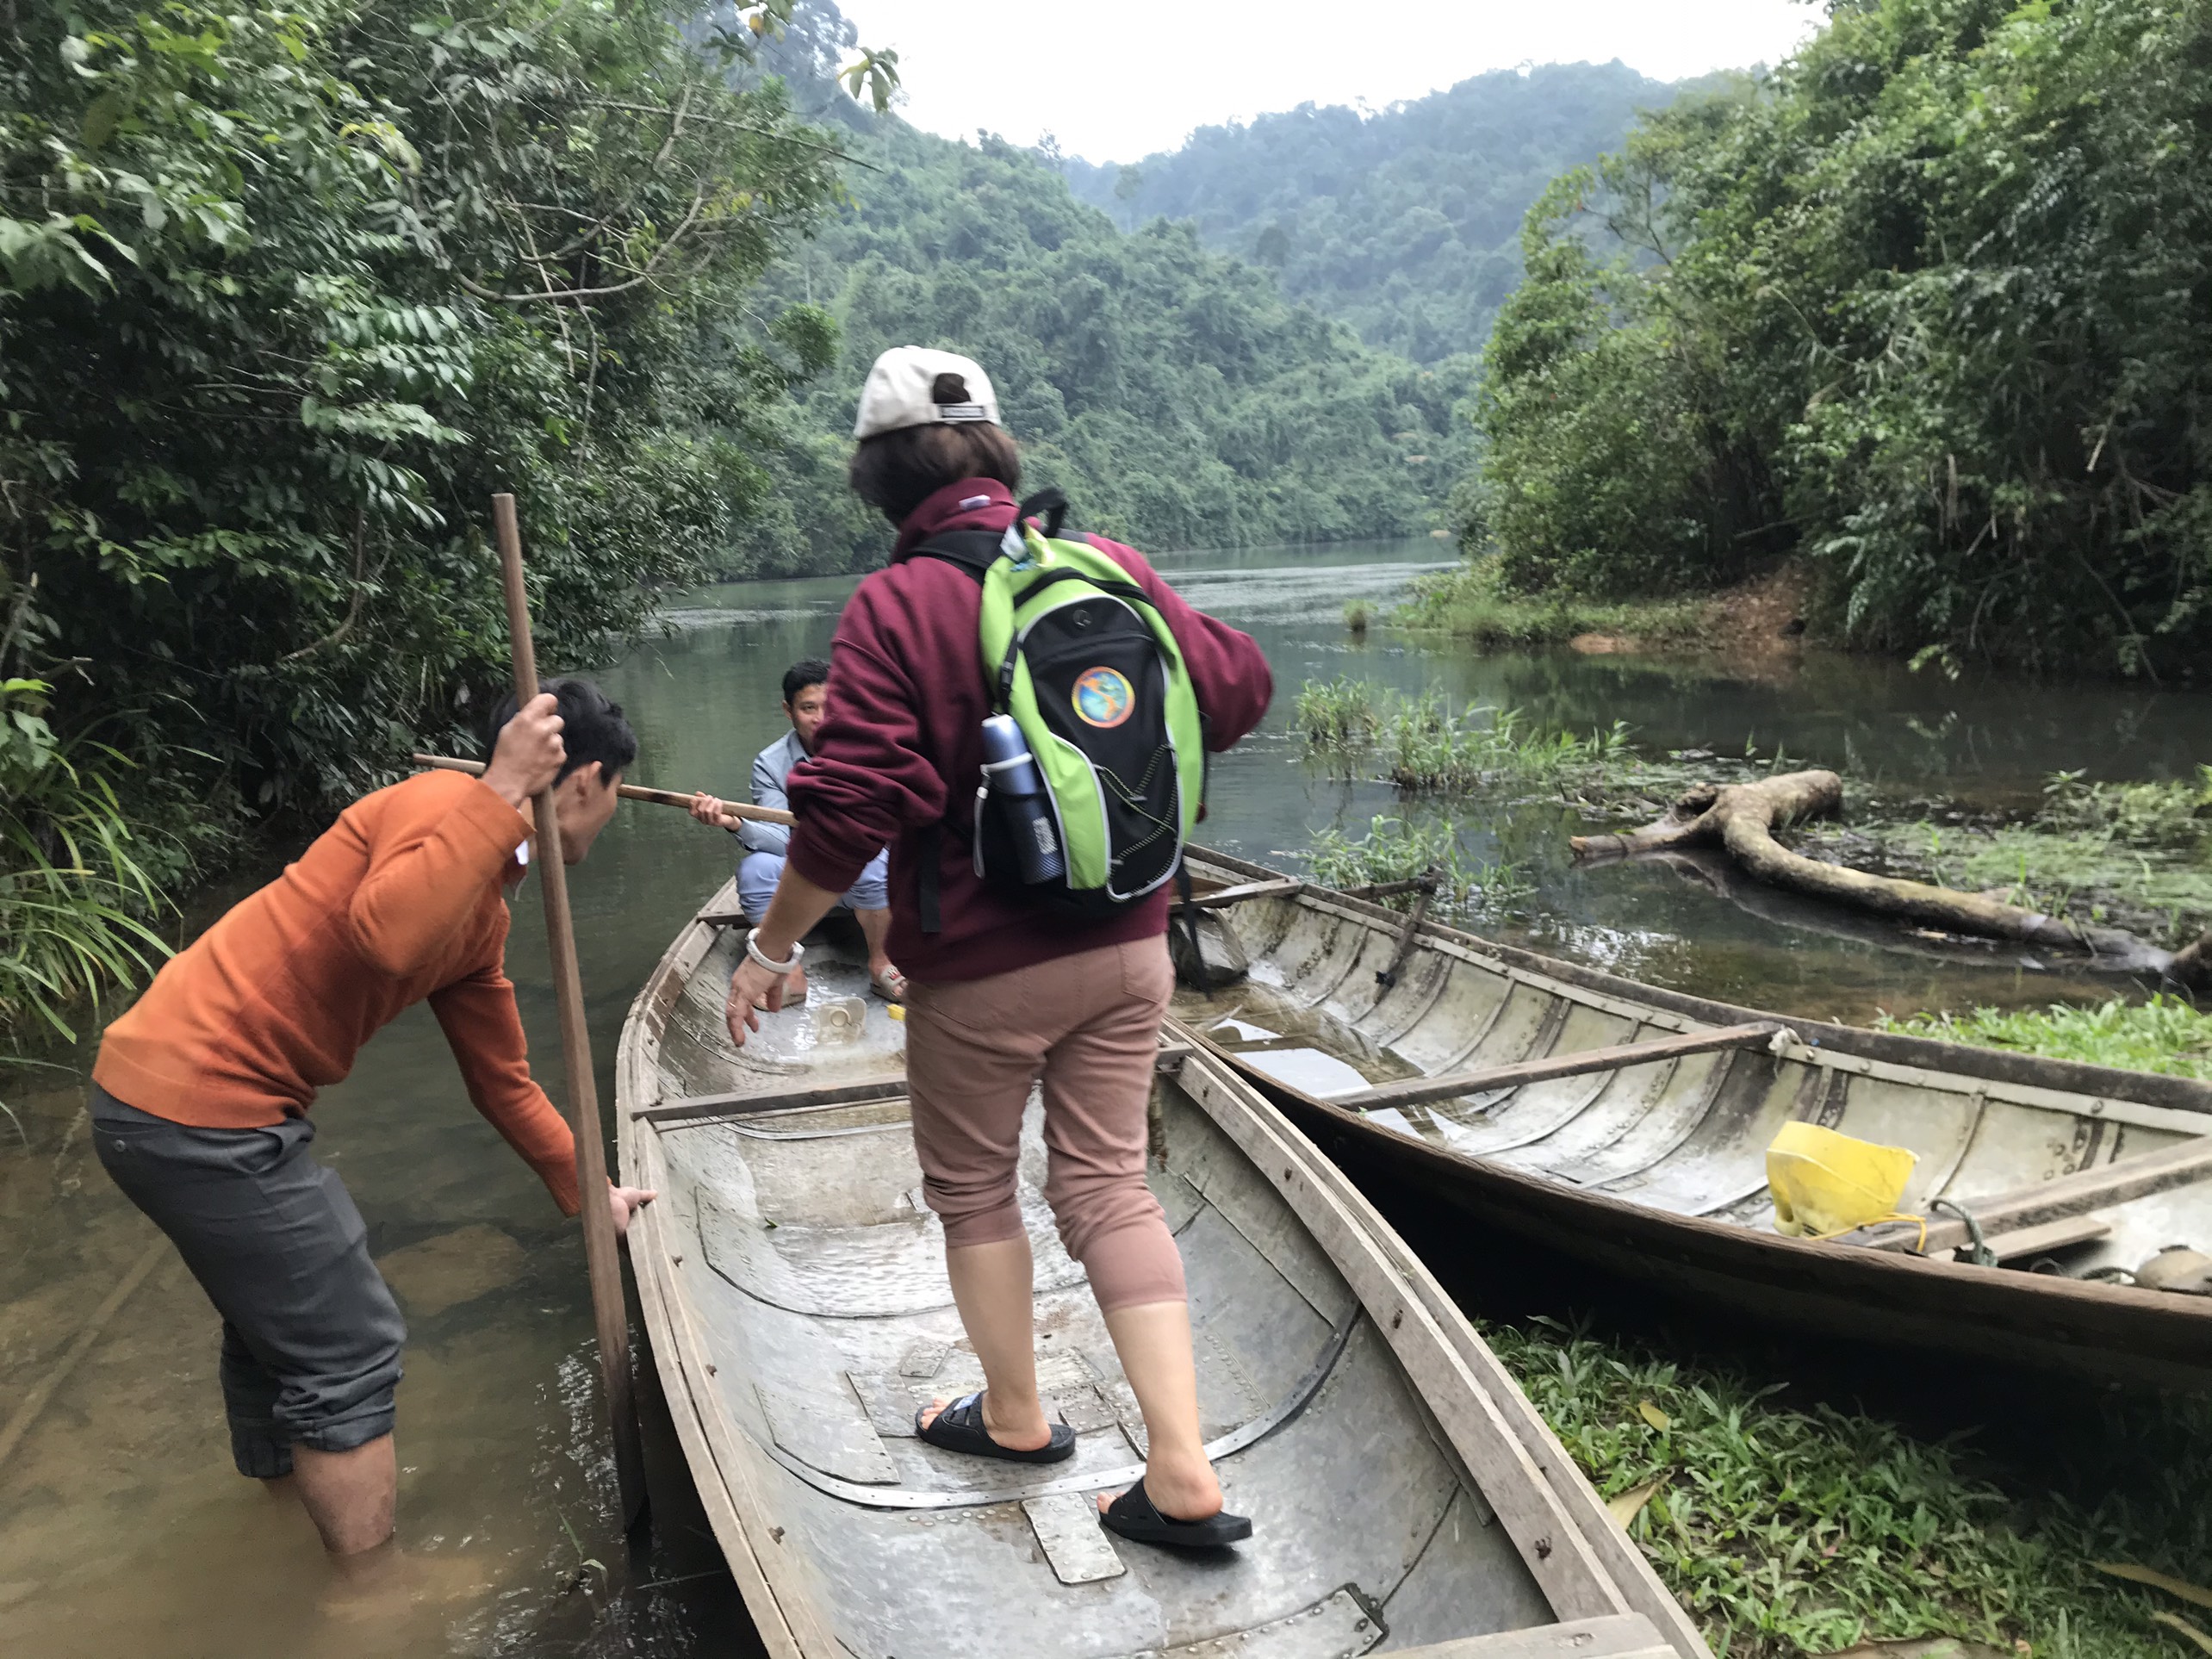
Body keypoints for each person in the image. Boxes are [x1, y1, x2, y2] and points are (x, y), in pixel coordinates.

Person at [723, 346, 1273, 1549]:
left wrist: (770, 946)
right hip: (1132, 944)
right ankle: (1183, 1470)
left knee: (975, 1192)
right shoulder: (1103, 565)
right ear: (1000, 454)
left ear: (877, 481)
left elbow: (848, 810)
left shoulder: (896, 605)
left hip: (979, 971)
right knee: (1108, 1186)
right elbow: (1238, 690)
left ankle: (1018, 1417)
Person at [89, 678, 656, 1581]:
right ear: (586, 781)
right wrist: (502, 787)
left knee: (277, 1332)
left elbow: (502, 1081)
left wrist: (592, 1191)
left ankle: (286, 1525)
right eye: (616, 791)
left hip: (175, 1105)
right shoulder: (437, 807)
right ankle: (369, 1595)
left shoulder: (479, 904)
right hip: (201, 1107)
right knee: (347, 1347)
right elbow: (386, 937)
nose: (613, 811)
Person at [687, 658, 902, 1002]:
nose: (821, 718)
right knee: (755, 870)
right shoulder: (770, 764)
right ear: (788, 711)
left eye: (830, 707)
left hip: (869, 871)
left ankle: (882, 963)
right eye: (808, 708)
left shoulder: (873, 752)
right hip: (805, 871)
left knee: (872, 860)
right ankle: (786, 972)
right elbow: (781, 834)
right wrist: (735, 823)